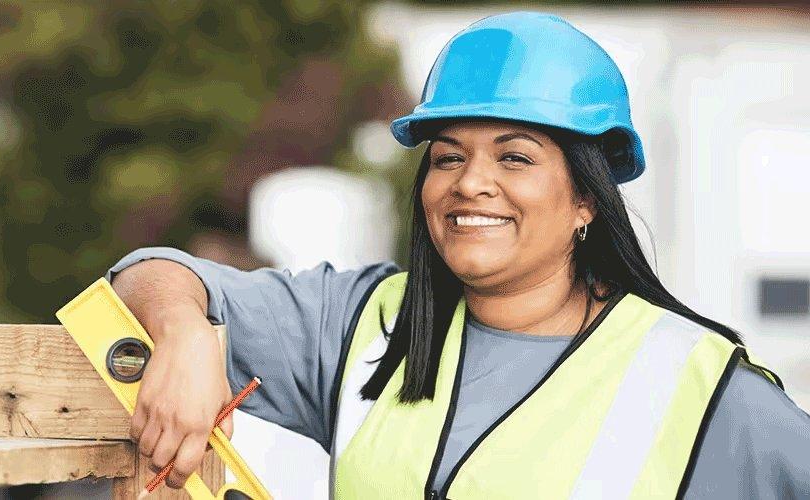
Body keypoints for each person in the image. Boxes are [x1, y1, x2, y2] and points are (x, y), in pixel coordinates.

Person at [107, 11, 810, 499]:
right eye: (449, 158)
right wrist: (184, 331)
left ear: (587, 200)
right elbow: (148, 273)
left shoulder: (698, 383)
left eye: (515, 156)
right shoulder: (362, 326)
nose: (471, 181)